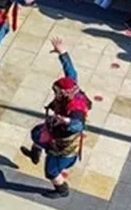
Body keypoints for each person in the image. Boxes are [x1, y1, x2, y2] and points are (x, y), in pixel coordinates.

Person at [21, 37, 91, 198]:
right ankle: (35, 153)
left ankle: (62, 190)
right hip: (56, 128)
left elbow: (78, 125)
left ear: (65, 94)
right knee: (38, 133)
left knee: (51, 171)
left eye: (58, 92)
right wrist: (63, 53)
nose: (55, 94)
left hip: (64, 145)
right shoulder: (73, 88)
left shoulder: (76, 107)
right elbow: (71, 73)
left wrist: (66, 121)